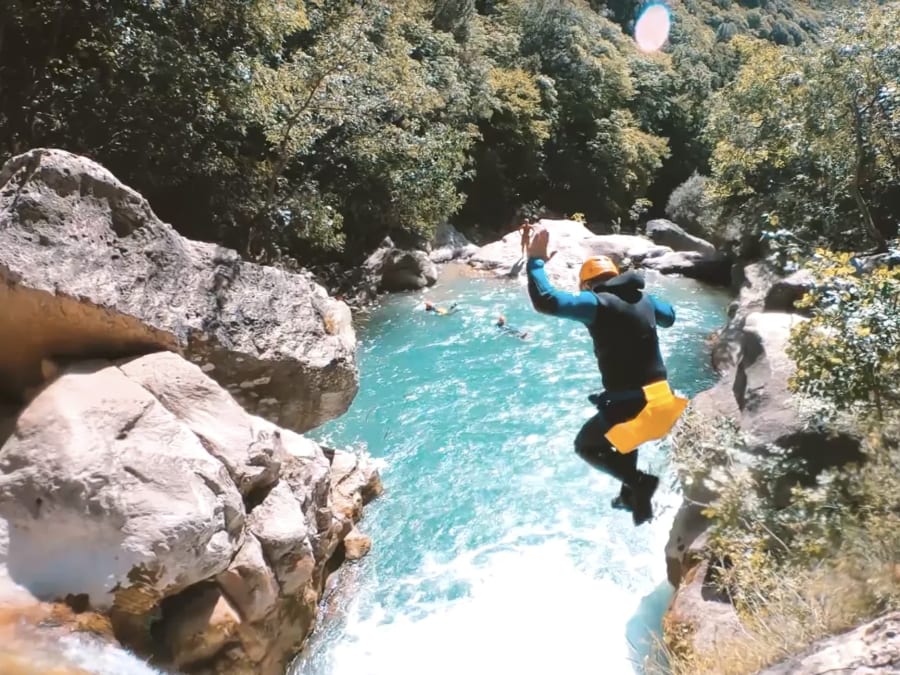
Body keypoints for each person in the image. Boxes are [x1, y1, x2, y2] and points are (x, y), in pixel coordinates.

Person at [524, 225, 688, 526]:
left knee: (586, 446)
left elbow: (546, 301)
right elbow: (671, 317)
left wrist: (534, 260)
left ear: (587, 286)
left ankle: (640, 484)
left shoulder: (596, 302)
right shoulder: (645, 301)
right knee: (623, 441)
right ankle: (636, 502)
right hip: (664, 403)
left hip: (635, 407)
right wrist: (646, 300)